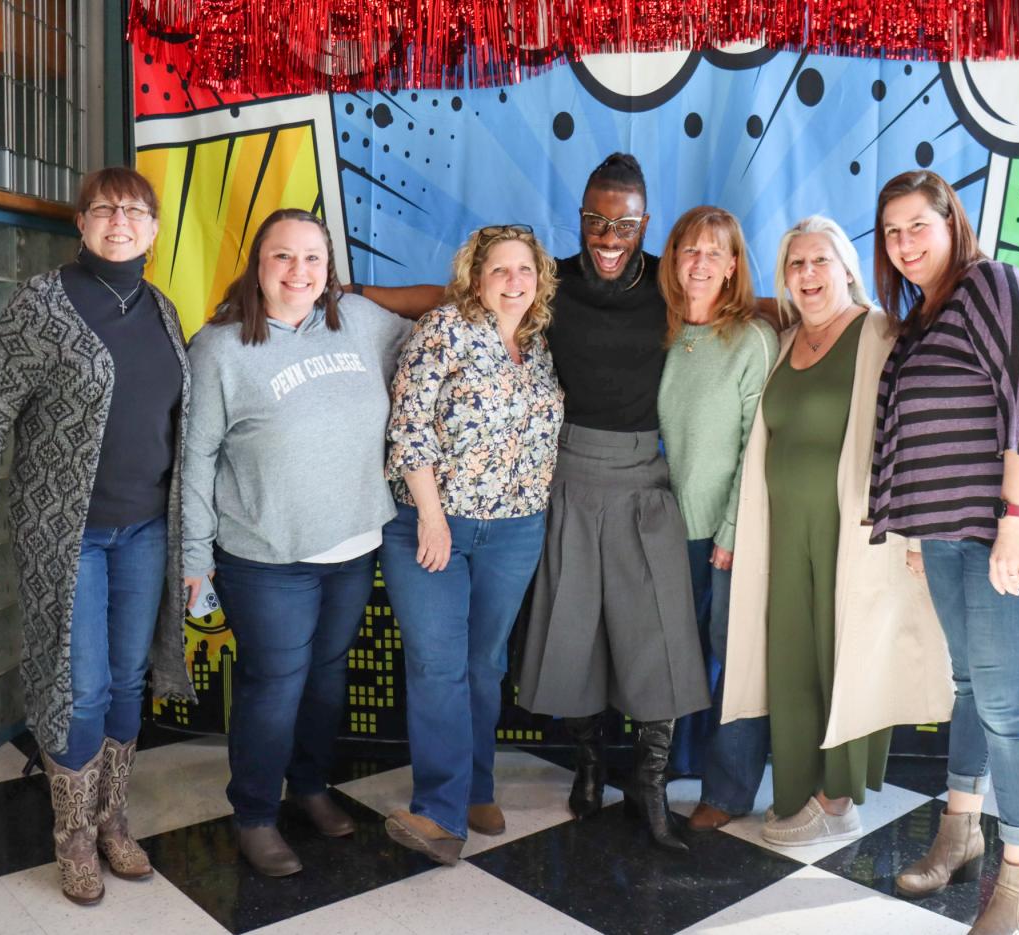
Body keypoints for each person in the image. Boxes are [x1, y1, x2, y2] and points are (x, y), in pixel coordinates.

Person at [0, 167, 194, 904]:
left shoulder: (161, 308)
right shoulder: (41, 303)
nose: (120, 220)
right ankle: (74, 836)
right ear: (81, 224)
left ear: (153, 230)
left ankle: (113, 817)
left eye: (135, 210)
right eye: (103, 208)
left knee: (126, 679)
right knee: (79, 687)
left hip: (148, 528)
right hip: (71, 536)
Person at [869, 170, 1019, 934]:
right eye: (892, 232)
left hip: (1013, 528)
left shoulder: (996, 286)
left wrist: (1015, 518)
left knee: (1004, 707)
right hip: (950, 532)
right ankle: (960, 831)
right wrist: (919, 524)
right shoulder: (926, 315)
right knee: (968, 686)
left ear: (950, 220)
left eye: (917, 226)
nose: (904, 244)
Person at [181, 208, 410, 877]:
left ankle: (309, 785)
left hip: (352, 545)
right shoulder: (220, 346)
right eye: (283, 257)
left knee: (326, 678)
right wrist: (196, 554)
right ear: (258, 263)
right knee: (273, 684)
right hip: (266, 555)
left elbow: (434, 329)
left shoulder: (361, 322)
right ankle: (255, 812)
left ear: (330, 268)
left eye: (313, 258)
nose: (298, 272)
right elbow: (195, 459)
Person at [719, 215, 954, 848]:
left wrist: (914, 534)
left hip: (855, 531)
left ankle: (838, 798)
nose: (807, 274)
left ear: (847, 269)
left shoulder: (879, 332)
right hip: (783, 531)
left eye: (820, 261)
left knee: (851, 655)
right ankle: (796, 789)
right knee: (792, 660)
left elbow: (912, 434)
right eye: (795, 265)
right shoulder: (786, 340)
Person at [515, 154, 710, 852]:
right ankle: (590, 765)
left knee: (657, 638)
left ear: (644, 223)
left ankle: (650, 786)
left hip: (642, 479)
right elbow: (458, 300)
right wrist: (352, 290)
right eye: (595, 220)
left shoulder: (668, 280)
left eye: (623, 223)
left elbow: (744, 306)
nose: (607, 235)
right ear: (580, 217)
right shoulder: (549, 279)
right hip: (566, 474)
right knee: (575, 635)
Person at [379, 225, 564, 866]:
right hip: (434, 526)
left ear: (539, 278)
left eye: (525, 270)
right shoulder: (443, 330)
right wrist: (431, 516)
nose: (514, 282)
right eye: (500, 271)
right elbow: (407, 426)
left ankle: (477, 785)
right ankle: (439, 813)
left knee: (485, 664)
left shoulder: (537, 345)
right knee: (438, 665)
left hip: (515, 530)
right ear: (475, 278)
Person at [655, 206, 777, 831]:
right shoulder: (667, 331)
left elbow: (760, 446)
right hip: (662, 530)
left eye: (713, 252)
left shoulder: (753, 339)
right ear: (673, 260)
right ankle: (673, 767)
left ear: (733, 266)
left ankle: (728, 792)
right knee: (675, 658)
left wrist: (732, 532)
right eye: (688, 251)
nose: (699, 263)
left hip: (726, 533)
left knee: (731, 661)